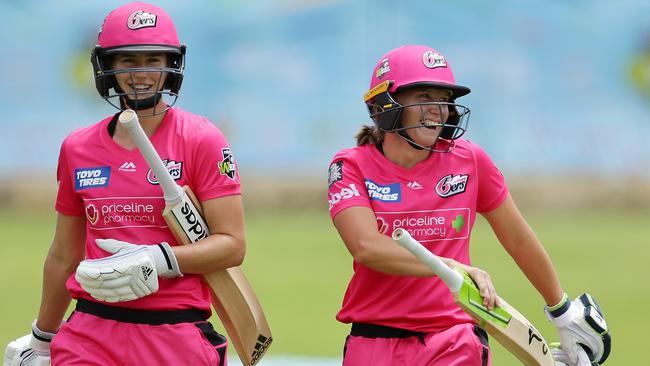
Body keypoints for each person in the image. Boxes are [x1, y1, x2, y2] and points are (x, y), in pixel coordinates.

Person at [327, 45, 611, 366]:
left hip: (454, 337)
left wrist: (560, 309)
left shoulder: (470, 160)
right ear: (385, 104)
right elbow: (366, 247)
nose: (437, 109)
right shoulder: (350, 166)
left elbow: (517, 238)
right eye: (423, 97)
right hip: (374, 340)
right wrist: (452, 268)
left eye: (444, 99)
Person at [4, 2, 243, 365]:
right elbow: (63, 255)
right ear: (108, 66)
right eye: (127, 61)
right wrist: (41, 338)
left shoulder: (202, 139)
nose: (140, 73)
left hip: (174, 334)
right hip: (90, 333)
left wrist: (160, 258)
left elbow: (232, 246)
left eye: (153, 59)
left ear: (171, 64)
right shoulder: (78, 148)